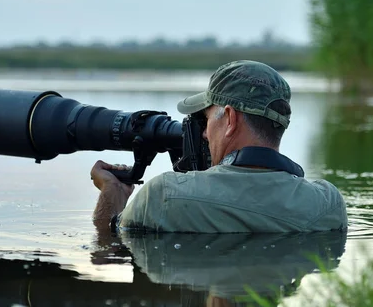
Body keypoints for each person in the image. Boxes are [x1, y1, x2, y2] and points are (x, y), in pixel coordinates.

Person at [90, 60, 347, 233]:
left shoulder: (163, 196)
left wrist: (111, 195)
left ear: (230, 119)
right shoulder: (327, 203)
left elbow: (110, 240)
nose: (203, 133)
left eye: (207, 119)